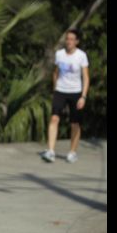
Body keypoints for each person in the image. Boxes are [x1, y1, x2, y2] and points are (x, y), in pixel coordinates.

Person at [41, 28, 90, 163]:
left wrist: (83, 96)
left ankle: (72, 152)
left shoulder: (81, 56)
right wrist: (55, 88)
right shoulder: (59, 54)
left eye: (71, 39)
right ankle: (51, 151)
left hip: (76, 92)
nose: (68, 41)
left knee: (75, 124)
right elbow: (55, 73)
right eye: (67, 39)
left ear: (77, 42)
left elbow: (86, 78)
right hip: (60, 91)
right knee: (54, 119)